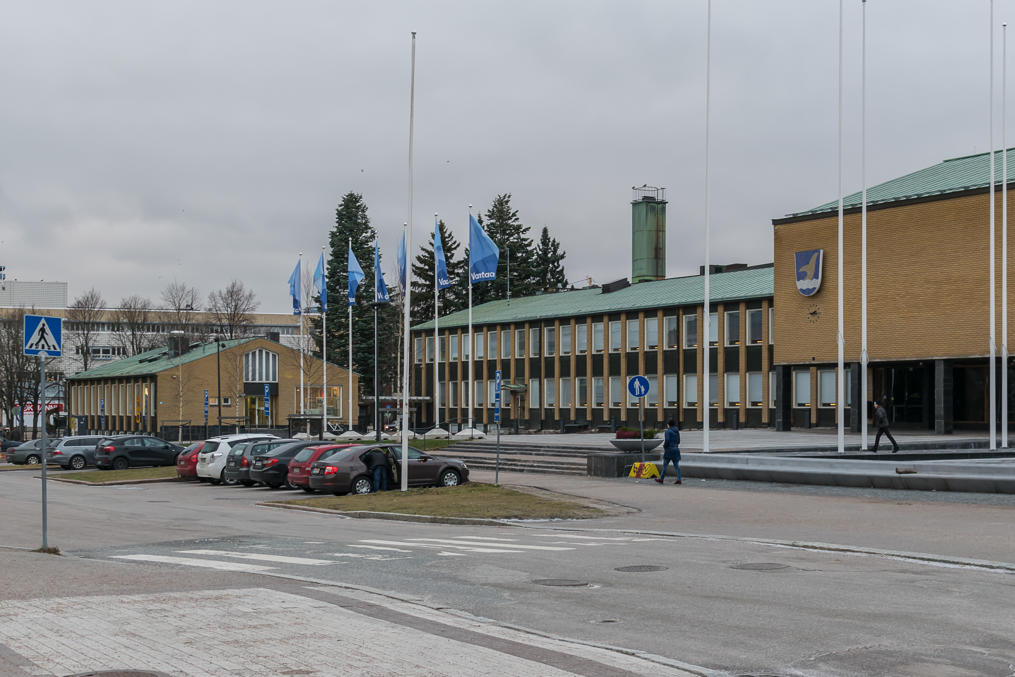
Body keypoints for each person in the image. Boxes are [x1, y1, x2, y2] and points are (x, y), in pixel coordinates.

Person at [655, 419, 682, 485]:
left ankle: (661, 479)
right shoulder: (677, 431)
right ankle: (679, 479)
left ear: (668, 424)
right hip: (676, 450)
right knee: (676, 465)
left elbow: (667, 440)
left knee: (665, 465)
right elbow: (678, 441)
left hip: (669, 450)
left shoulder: (668, 431)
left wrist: (665, 446)